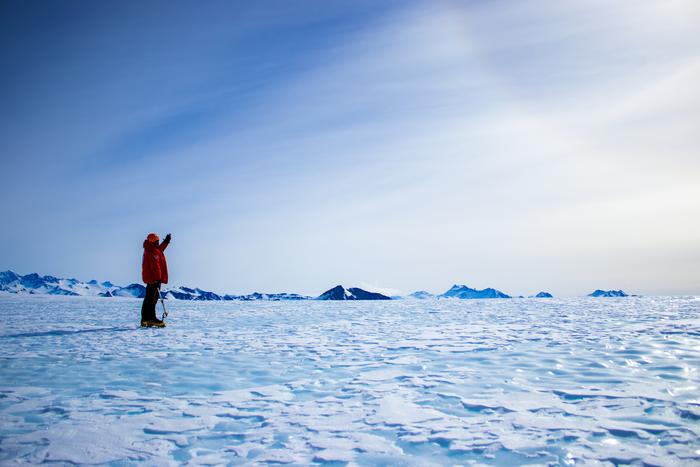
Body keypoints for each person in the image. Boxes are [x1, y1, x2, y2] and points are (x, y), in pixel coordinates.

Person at [141, 232, 171, 327]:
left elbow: (160, 249)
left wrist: (166, 241)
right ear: (154, 241)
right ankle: (151, 319)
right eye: (157, 241)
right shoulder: (152, 251)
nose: (158, 242)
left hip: (151, 278)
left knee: (149, 299)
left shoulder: (151, 248)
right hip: (154, 279)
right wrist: (157, 278)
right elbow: (155, 266)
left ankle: (145, 319)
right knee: (152, 300)